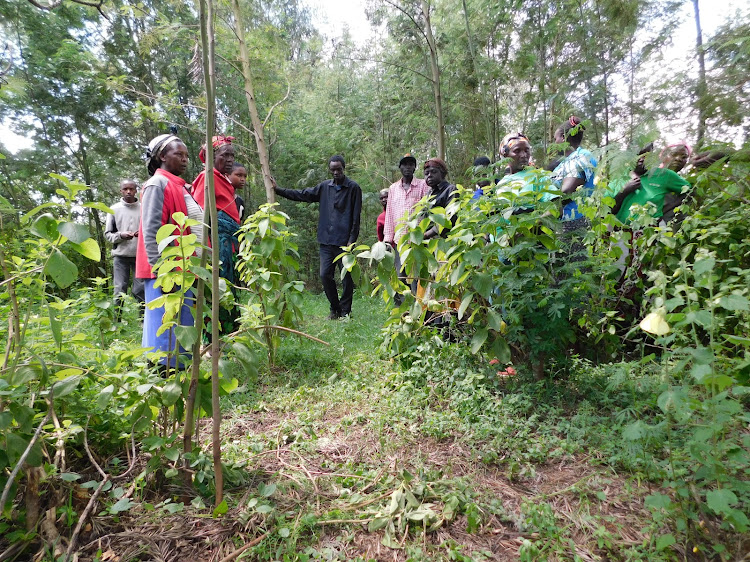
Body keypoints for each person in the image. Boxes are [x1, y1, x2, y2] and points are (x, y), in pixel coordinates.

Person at [136, 134, 201, 369]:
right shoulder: (157, 184)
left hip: (183, 270)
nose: (185, 160)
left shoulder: (179, 185)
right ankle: (163, 375)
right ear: (162, 156)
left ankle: (178, 372)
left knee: (180, 325)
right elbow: (153, 230)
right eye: (178, 154)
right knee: (164, 328)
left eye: (186, 155)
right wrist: (163, 272)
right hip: (165, 272)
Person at [274, 155, 362, 320]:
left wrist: (352, 240)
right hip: (326, 241)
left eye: (339, 169)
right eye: (333, 169)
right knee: (324, 275)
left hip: (345, 243)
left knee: (347, 279)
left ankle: (345, 311)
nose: (336, 172)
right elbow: (303, 194)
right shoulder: (324, 187)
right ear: (330, 170)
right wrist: (279, 190)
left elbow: (356, 217)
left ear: (344, 168)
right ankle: (335, 309)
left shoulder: (353, 188)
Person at [191, 136, 242, 334]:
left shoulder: (224, 180)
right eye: (225, 155)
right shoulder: (207, 177)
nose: (230, 159)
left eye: (232, 155)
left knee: (229, 289)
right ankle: (213, 339)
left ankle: (228, 334)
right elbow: (201, 214)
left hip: (228, 246)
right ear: (211, 157)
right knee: (217, 289)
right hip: (217, 246)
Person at [612, 142, 691, 225]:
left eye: (647, 156)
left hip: (653, 231)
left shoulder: (665, 175)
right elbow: (609, 210)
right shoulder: (619, 179)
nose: (642, 158)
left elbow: (691, 191)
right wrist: (624, 191)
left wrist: (664, 210)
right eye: (638, 155)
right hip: (622, 232)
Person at [383, 154, 430, 290]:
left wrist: (425, 233)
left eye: (411, 164)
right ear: (400, 167)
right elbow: (390, 214)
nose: (408, 167)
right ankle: (406, 308)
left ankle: (419, 307)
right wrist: (387, 239)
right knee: (401, 275)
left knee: (416, 276)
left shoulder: (423, 185)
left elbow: (426, 211)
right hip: (400, 241)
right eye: (405, 164)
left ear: (415, 167)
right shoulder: (393, 188)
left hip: (417, 240)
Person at [105, 179, 144, 319]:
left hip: (140, 255)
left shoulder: (143, 207)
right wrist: (121, 235)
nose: (129, 191)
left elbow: (150, 229)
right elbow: (108, 235)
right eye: (125, 189)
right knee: (119, 288)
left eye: (131, 189)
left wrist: (142, 234)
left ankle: (143, 319)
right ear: (121, 191)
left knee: (140, 289)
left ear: (136, 190)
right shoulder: (114, 209)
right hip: (120, 256)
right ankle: (117, 320)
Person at [550, 116, 598, 227]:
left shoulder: (581, 156)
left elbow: (566, 191)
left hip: (574, 223)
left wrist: (544, 215)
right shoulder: (565, 162)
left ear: (563, 138)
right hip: (561, 222)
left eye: (555, 139)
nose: (554, 143)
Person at [422, 158, 457, 240]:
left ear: (442, 173)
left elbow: (450, 217)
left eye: (433, 172)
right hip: (429, 242)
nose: (429, 175)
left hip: (446, 240)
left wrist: (427, 234)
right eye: (426, 173)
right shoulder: (428, 194)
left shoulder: (450, 190)